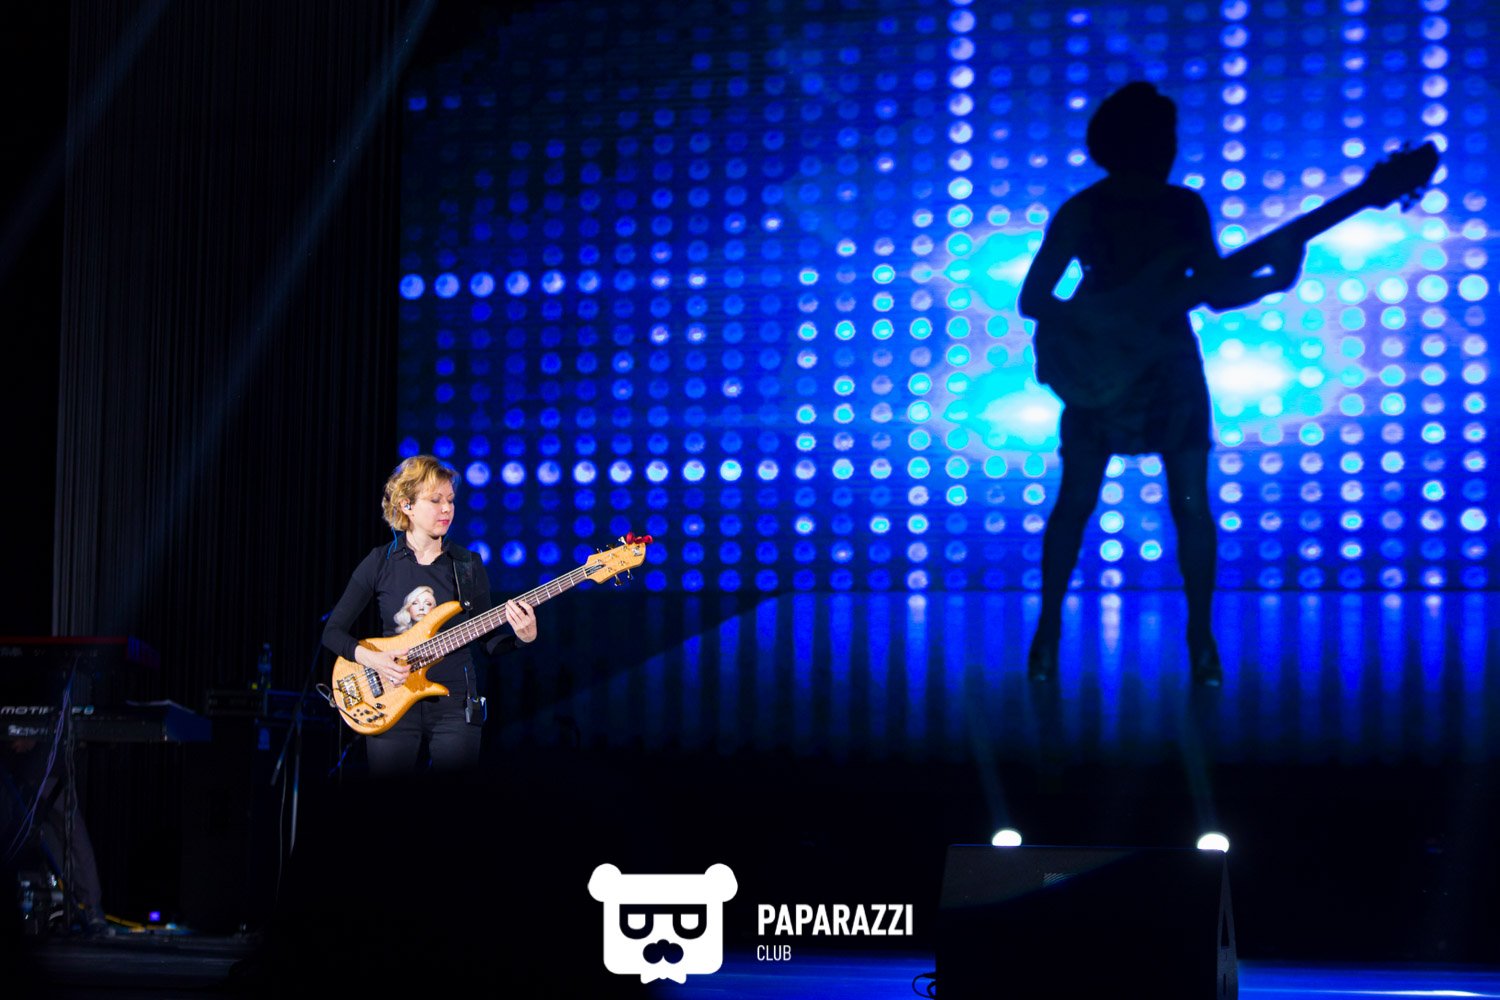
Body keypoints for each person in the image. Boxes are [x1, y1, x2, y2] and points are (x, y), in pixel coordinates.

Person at [1018, 82, 1304, 685]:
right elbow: (1035, 298)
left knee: (1087, 503)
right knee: (1183, 506)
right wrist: (1105, 321)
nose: (1172, 148)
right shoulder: (1167, 207)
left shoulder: (1100, 208)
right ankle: (1193, 641)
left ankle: (1054, 635)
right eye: (1164, 137)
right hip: (1136, 365)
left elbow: (1211, 289)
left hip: (1138, 367)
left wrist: (1271, 279)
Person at [322, 455, 538, 774]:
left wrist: (522, 638)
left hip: (454, 706)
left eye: (450, 500)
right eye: (435, 500)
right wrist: (373, 659)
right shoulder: (380, 562)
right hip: (390, 700)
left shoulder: (467, 565)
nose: (447, 508)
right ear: (406, 505)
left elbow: (488, 643)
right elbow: (332, 632)